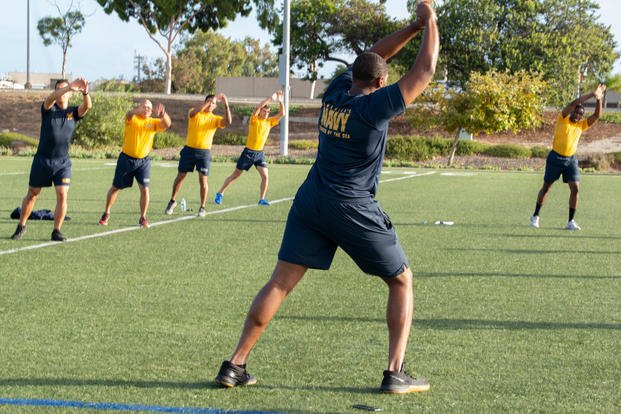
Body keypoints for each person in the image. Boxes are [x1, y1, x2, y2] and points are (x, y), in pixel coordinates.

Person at [215, 0, 439, 394]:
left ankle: (235, 365)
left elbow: (372, 56)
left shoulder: (336, 91)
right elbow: (425, 70)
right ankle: (395, 372)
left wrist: (412, 28)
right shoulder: (375, 107)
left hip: (312, 200)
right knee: (402, 280)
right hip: (350, 204)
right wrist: (430, 19)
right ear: (382, 83)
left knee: (280, 284)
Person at [11, 78, 91, 242]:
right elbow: (51, 97)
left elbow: (87, 106)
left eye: (65, 90)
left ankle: (56, 231)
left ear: (69, 95)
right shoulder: (48, 108)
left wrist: (85, 92)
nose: (62, 92)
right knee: (33, 195)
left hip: (62, 163)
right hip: (42, 160)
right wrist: (68, 87)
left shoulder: (73, 113)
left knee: (62, 195)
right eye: (59, 89)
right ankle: (21, 226)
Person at [530, 83, 606, 230]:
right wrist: (592, 93)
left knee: (575, 188)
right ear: (572, 112)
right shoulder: (563, 118)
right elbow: (574, 103)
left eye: (580, 114)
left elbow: (597, 116)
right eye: (576, 112)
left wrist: (598, 98)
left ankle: (570, 221)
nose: (577, 115)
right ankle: (535, 216)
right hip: (555, 158)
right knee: (546, 188)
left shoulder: (581, 125)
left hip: (571, 160)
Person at [98, 99, 171, 228]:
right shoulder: (133, 118)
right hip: (126, 159)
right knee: (116, 187)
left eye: (149, 107)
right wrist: (139, 110)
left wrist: (163, 115)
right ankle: (106, 213)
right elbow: (129, 114)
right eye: (145, 106)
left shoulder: (153, 122)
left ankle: (143, 217)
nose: (147, 109)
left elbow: (167, 124)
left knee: (145, 189)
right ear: (139, 107)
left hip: (143, 161)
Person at [164, 93, 232, 217]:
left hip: (204, 153)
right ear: (205, 102)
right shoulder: (195, 112)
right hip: (189, 150)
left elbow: (228, 121)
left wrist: (226, 104)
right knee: (181, 176)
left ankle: (202, 207)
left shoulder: (215, 119)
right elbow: (193, 113)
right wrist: (209, 101)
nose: (211, 105)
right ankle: (172, 201)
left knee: (203, 180)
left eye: (214, 104)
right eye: (209, 102)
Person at [214, 90, 284, 206]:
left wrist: (281, 101)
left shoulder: (269, 122)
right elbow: (258, 106)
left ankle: (261, 199)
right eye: (264, 111)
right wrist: (271, 98)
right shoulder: (254, 119)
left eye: (268, 111)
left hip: (259, 154)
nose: (266, 113)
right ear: (260, 111)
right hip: (248, 153)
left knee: (265, 176)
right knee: (235, 175)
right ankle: (220, 193)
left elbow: (282, 114)